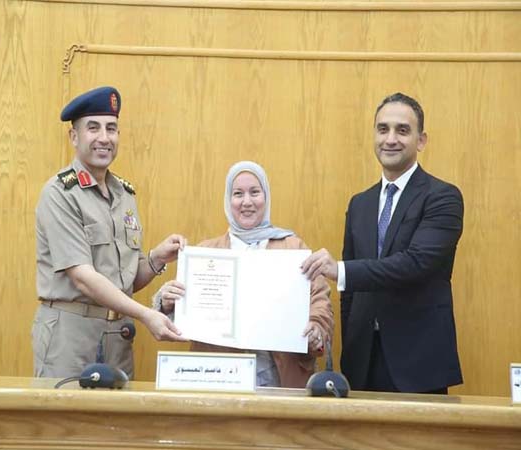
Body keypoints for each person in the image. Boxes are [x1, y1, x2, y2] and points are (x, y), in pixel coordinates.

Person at [301, 92, 464, 394]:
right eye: (383, 129)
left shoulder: (443, 197)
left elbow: (416, 263)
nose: (390, 139)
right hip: (362, 360)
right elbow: (349, 295)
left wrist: (340, 270)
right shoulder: (360, 204)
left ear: (421, 140)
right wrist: (349, 347)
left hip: (418, 363)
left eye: (402, 130)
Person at [32, 86, 187, 379]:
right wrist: (146, 314)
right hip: (71, 336)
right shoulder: (60, 194)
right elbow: (84, 278)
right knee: (68, 410)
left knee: (118, 411)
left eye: (111, 128)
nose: (104, 138)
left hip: (118, 338)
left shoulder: (124, 195)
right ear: (74, 136)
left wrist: (156, 259)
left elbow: (124, 282)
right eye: (93, 128)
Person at [153, 161, 334, 388]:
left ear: (266, 197)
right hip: (220, 378)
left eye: (255, 192)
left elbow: (319, 301)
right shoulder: (207, 253)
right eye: (238, 194)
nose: (247, 202)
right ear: (228, 200)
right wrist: (168, 303)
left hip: (279, 379)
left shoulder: (293, 248)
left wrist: (316, 327)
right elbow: (183, 318)